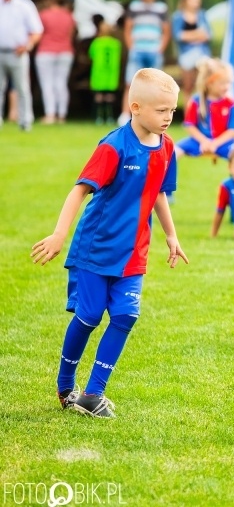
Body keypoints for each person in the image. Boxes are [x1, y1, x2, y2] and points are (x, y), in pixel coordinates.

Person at [30, 68, 187, 418]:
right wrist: (59, 234)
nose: (168, 118)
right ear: (135, 107)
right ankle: (65, 385)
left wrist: (171, 235)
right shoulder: (114, 146)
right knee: (88, 316)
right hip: (95, 249)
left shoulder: (167, 148)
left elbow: (158, 192)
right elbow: (79, 190)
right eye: (161, 110)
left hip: (134, 252)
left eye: (172, 111)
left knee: (126, 315)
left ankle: (93, 393)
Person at [118, 0, 170, 126]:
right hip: (138, 49)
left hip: (154, 50)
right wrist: (131, 46)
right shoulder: (135, 7)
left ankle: (156, 114)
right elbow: (128, 28)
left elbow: (166, 30)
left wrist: (160, 48)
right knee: (131, 82)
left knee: (157, 85)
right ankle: (125, 115)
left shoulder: (161, 8)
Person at [175, 57, 234, 161]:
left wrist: (214, 143)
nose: (227, 87)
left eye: (229, 83)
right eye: (222, 83)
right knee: (172, 153)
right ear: (209, 83)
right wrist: (204, 141)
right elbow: (189, 125)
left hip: (224, 142)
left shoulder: (230, 103)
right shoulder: (196, 101)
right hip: (198, 141)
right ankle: (163, 177)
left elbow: (232, 130)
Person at [0, 0, 43, 131]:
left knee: (22, 88)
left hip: (17, 52)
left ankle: (25, 121)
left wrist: (27, 45)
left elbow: (37, 30)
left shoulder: (25, 5)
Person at [35, 0, 76, 124]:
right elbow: (71, 35)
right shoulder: (69, 16)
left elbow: (38, 32)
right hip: (65, 51)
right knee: (61, 84)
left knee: (47, 84)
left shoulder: (44, 14)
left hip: (46, 51)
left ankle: (50, 114)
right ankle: (62, 115)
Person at [171, 0, 211, 102]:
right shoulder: (178, 16)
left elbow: (208, 35)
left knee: (203, 86)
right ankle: (189, 117)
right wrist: (198, 34)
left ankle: (202, 115)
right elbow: (178, 36)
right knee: (188, 87)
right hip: (186, 56)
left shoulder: (202, 15)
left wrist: (189, 35)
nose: (197, 2)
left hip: (202, 54)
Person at [88, 17, 122, 125]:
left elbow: (91, 55)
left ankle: (98, 117)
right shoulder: (116, 44)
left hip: (99, 74)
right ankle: (110, 117)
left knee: (99, 96)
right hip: (111, 75)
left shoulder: (96, 43)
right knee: (110, 96)